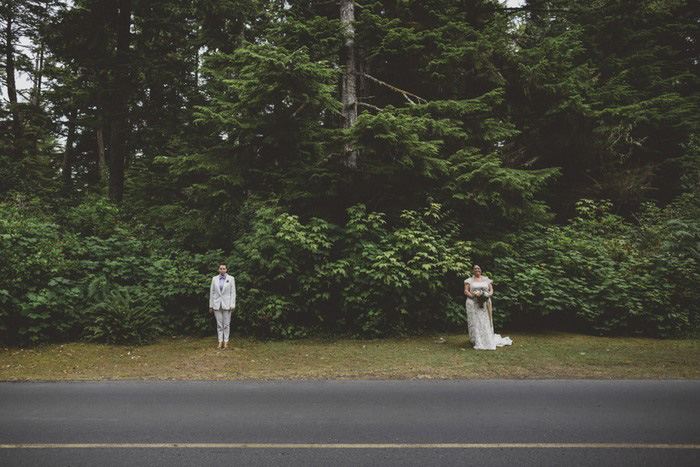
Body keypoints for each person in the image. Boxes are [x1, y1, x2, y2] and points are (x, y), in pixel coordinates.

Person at [464, 264, 512, 350]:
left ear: (481, 270)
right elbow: (466, 291)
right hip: (473, 303)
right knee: (476, 320)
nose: (477, 270)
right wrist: (473, 296)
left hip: (486, 303)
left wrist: (487, 295)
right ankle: (476, 340)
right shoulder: (469, 280)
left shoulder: (486, 279)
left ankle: (487, 338)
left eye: (478, 268)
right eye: (475, 269)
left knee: (485, 320)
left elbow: (491, 289)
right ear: (473, 270)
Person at [209, 263, 236, 349]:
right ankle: (220, 341)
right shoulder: (214, 279)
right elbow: (212, 292)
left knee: (226, 324)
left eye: (224, 268)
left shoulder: (231, 279)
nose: (222, 270)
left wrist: (232, 304)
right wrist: (211, 305)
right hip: (217, 304)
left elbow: (233, 292)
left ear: (226, 269)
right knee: (219, 324)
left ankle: (226, 342)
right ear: (218, 270)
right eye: (221, 268)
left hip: (227, 304)